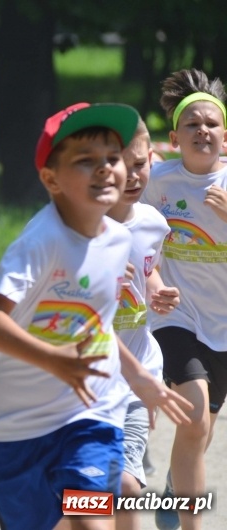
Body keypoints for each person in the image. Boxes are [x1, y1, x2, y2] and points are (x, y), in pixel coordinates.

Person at [0, 102, 192, 530]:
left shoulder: (116, 240)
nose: (106, 169)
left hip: (89, 417)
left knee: (92, 518)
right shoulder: (40, 241)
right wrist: (55, 361)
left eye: (113, 158)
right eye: (86, 161)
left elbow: (97, 324)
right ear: (52, 179)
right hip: (16, 429)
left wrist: (140, 377)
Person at [141, 68, 227, 530]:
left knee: (202, 429)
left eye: (211, 124)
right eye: (192, 124)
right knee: (194, 416)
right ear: (175, 137)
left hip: (224, 327)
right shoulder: (160, 182)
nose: (202, 130)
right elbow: (133, 233)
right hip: (176, 318)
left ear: (226, 138)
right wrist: (153, 285)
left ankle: (176, 487)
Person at [106, 118, 181, 530]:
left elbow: (147, 268)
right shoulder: (81, 228)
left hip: (138, 374)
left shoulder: (153, 221)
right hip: (83, 382)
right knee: (85, 498)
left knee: (128, 487)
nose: (134, 175)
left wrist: (157, 288)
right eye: (122, 164)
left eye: (141, 163)